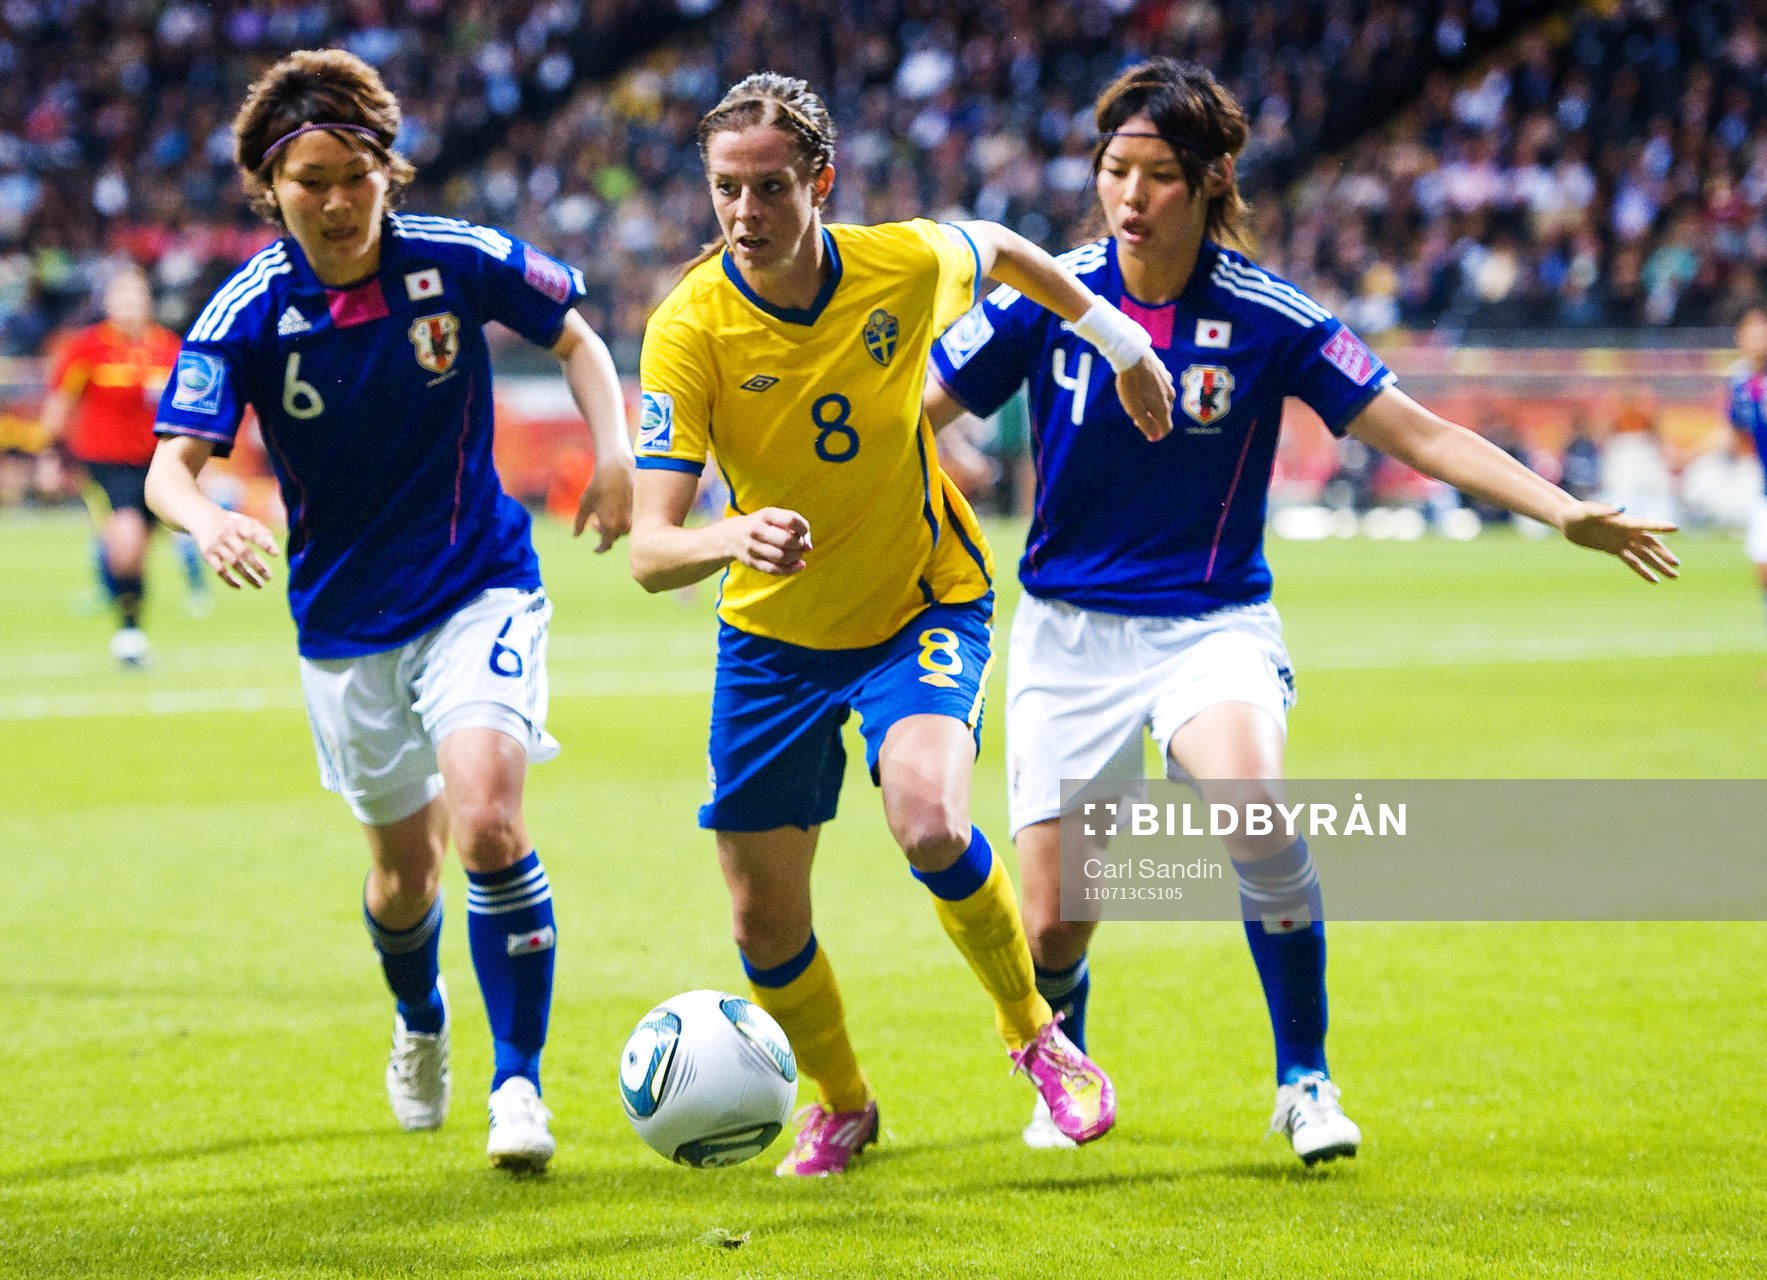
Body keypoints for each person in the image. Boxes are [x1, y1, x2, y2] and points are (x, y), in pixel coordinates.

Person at [926, 58, 1680, 1164]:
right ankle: (1066, 1066)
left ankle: (1305, 1077)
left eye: (1156, 176)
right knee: (1052, 925)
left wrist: (1560, 509)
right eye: (1112, 171)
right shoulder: (1051, 299)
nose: (1128, 198)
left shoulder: (1271, 317)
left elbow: (1418, 433)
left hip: (1209, 625)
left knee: (1256, 812)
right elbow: (915, 406)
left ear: (1212, 179)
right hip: (1066, 634)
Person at [629, 72, 1175, 1177]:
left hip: (921, 600)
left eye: (769, 187)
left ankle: (1035, 1031)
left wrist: (1121, 340)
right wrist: (730, 537)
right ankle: (843, 1102)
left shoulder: (902, 261)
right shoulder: (689, 328)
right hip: (772, 643)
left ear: (819, 182)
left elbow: (1015, 253)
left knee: (929, 819)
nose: (744, 213)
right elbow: (650, 547)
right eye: (725, 190)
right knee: (761, 923)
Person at [145, 49, 634, 1172]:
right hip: (344, 622)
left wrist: (615, 454)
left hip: (478, 585)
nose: (335, 199)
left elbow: (579, 337)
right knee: (402, 874)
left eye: (354, 173)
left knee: (490, 819)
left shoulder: (455, 259)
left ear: (388, 169)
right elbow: (172, 466)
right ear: (272, 188)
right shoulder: (251, 306)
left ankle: (519, 1083)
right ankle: (422, 1019)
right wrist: (208, 515)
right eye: (309, 179)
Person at [40, 265, 194, 664]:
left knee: (139, 548)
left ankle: (126, 607)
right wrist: (51, 456)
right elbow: (61, 405)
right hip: (106, 464)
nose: (130, 305)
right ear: (108, 303)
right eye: (122, 297)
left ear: (148, 302)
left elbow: (188, 409)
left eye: (137, 297)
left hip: (156, 464)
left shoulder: (169, 348)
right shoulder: (87, 348)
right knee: (126, 539)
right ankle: (129, 632)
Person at [1726, 307, 1767, 637]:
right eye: (1751, 332)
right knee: (1763, 569)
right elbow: (1736, 432)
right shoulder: (1740, 382)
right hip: (1764, 487)